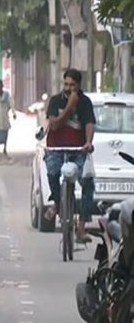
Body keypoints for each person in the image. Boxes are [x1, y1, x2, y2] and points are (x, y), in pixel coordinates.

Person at [44, 69, 96, 243]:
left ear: (78, 85)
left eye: (72, 85)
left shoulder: (85, 102)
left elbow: (89, 124)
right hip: (56, 149)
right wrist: (69, 106)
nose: (67, 88)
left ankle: (81, 228)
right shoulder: (55, 101)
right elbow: (54, 125)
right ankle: (58, 204)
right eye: (65, 84)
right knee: (52, 172)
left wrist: (88, 142)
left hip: (78, 150)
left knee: (87, 182)